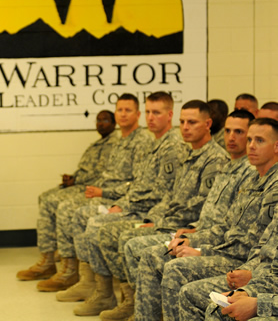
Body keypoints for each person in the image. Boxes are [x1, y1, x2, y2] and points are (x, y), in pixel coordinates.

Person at [73, 100, 229, 319]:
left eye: (192, 122)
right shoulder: (189, 154)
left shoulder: (214, 159)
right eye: (182, 122)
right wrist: (154, 218)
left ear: (208, 124)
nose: (184, 127)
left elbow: (198, 206)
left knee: (130, 242)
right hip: (163, 220)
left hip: (184, 229)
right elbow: (170, 196)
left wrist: (159, 222)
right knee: (118, 236)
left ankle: (143, 308)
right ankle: (133, 303)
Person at [54, 92, 187, 304]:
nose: (151, 117)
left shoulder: (172, 148)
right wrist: (120, 204)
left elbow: (163, 194)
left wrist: (129, 209)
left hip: (147, 212)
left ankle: (125, 298)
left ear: (170, 115)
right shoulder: (154, 144)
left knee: (98, 226)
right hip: (132, 204)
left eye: (157, 113)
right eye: (149, 112)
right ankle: (98, 288)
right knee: (85, 217)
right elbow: (139, 185)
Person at [132, 110, 260, 321]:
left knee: (171, 266)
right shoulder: (230, 166)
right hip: (209, 237)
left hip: (233, 255)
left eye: (239, 132)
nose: (231, 137)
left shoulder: (249, 173)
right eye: (228, 131)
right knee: (150, 253)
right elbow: (217, 219)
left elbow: (238, 239)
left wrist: (199, 247)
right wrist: (192, 234)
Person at [18, 94, 153, 293]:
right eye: (120, 110)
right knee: (51, 200)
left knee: (67, 208)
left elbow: (138, 183)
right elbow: (108, 174)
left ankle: (76, 273)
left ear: (138, 114)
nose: (123, 114)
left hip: (119, 198)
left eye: (128, 110)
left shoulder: (142, 141)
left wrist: (102, 191)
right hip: (104, 191)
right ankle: (61, 265)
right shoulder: (118, 140)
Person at [177, 118, 278, 320]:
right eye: (250, 139)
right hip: (257, 273)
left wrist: (256, 296)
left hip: (245, 265)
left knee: (177, 271)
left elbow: (249, 245)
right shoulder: (250, 180)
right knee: (212, 305)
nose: (251, 146)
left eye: (259, 140)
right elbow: (263, 247)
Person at [16, 110, 118, 281]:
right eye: (98, 120)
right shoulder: (96, 144)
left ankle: (68, 265)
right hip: (80, 184)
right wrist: (73, 177)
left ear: (114, 124)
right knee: (45, 197)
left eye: (105, 120)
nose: (100, 124)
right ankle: (51, 255)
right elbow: (86, 170)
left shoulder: (114, 144)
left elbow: (100, 175)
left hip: (93, 189)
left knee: (55, 203)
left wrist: (76, 180)